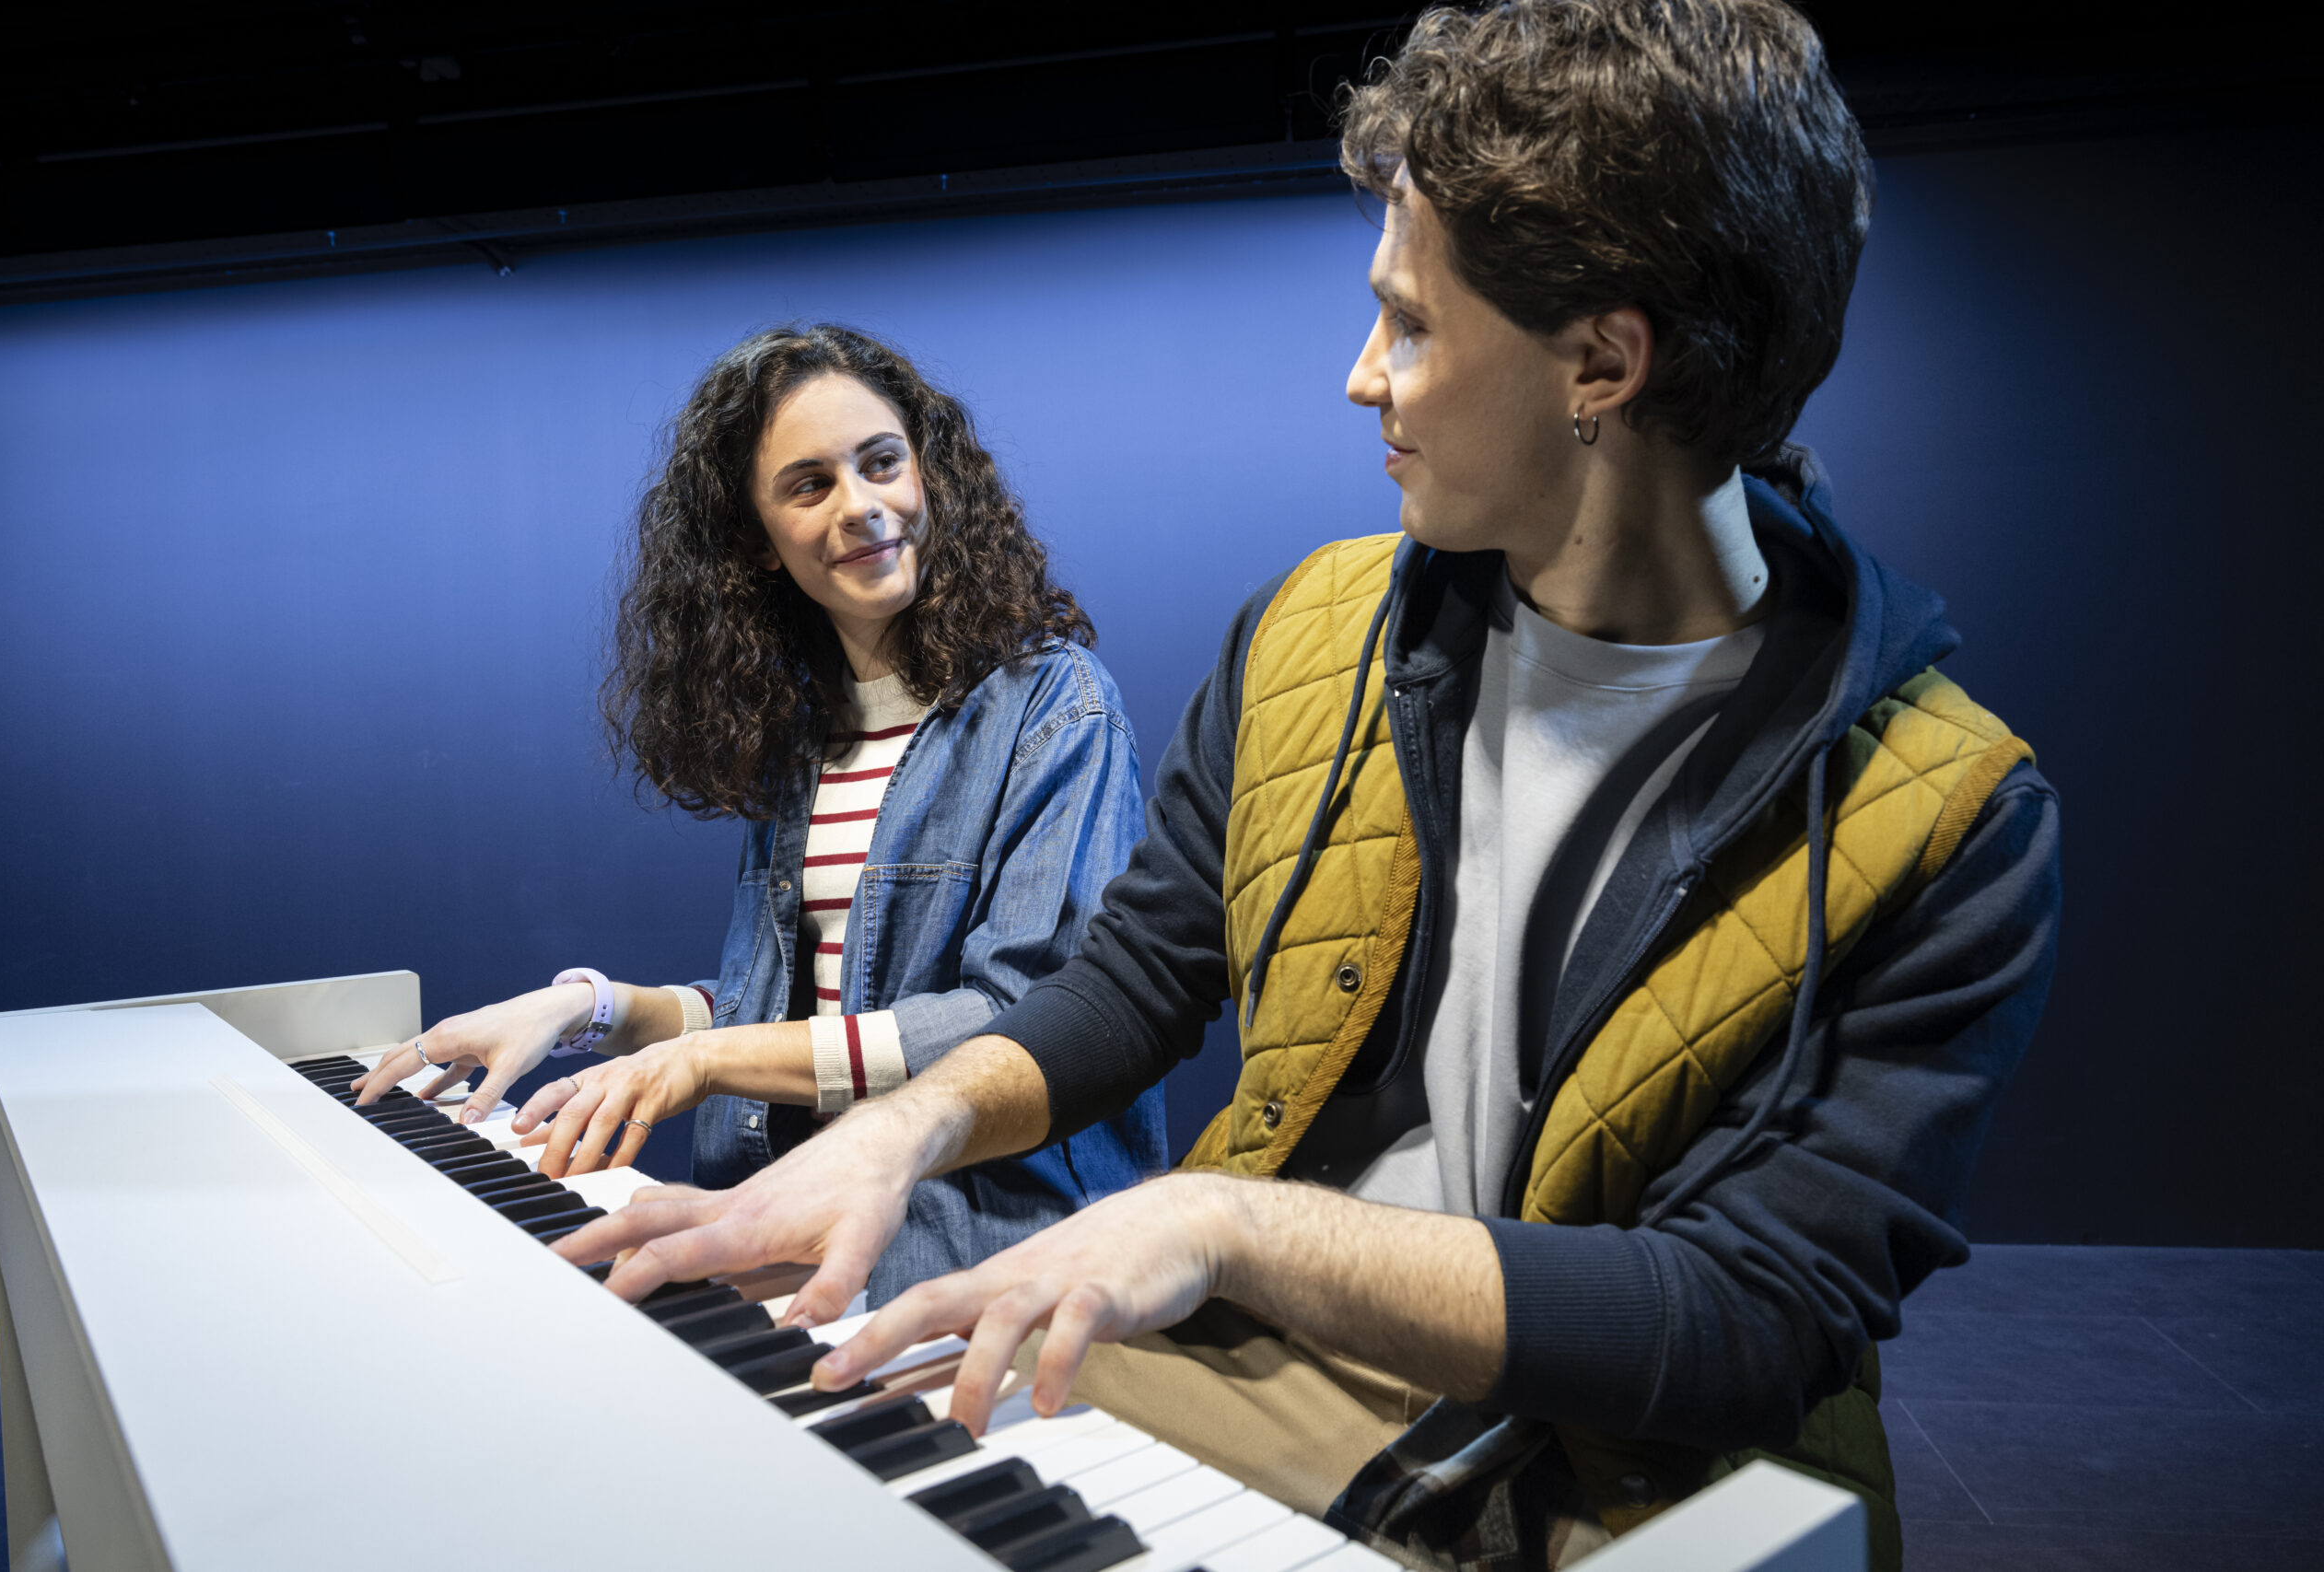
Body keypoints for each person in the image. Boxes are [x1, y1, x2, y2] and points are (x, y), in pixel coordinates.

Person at [559, 4, 2061, 1566]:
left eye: (1409, 324)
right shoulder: (1308, 636)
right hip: (1261, 1375)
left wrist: (1218, 1219)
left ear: (1602, 364)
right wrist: (908, 1128)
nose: (1362, 376)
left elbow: (1749, 1318)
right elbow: (1132, 982)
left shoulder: (1948, 816)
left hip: (1625, 1476)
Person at [353, 322, 1164, 1305]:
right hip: (788, 1221)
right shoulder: (811, 740)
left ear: (930, 473)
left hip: (980, 1253)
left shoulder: (1055, 704)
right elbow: (788, 1011)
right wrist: (584, 1008)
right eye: (810, 485)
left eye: (882, 463)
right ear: (758, 541)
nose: (861, 506)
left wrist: (707, 1060)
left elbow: (1026, 1022)